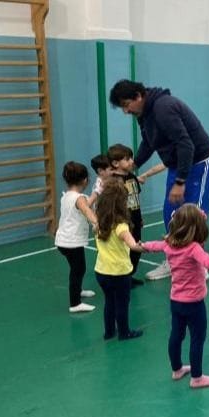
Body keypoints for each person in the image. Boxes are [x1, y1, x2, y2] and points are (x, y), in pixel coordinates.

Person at [109, 79, 209, 281]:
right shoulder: (144, 113)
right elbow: (149, 141)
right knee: (171, 212)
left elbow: (186, 144)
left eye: (126, 105)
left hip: (199, 159)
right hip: (178, 162)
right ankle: (173, 257)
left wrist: (180, 181)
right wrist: (135, 164)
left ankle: (197, 263)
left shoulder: (163, 108)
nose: (126, 111)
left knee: (194, 214)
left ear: (138, 96)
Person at [142, 204, 209, 389]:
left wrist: (140, 246)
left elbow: (152, 246)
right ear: (196, 228)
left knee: (176, 335)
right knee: (197, 338)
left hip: (176, 302)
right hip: (194, 304)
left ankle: (176, 370)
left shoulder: (168, 245)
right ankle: (197, 378)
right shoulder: (193, 249)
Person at [93, 178, 145, 340]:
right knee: (122, 303)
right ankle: (124, 332)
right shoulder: (121, 226)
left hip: (101, 271)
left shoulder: (99, 224)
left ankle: (109, 332)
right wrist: (148, 246)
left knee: (109, 302)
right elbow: (134, 245)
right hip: (120, 272)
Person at [54, 161, 99, 313]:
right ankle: (75, 304)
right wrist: (96, 222)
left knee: (77, 268)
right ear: (85, 180)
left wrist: (96, 193)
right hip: (71, 242)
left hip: (64, 240)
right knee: (78, 270)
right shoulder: (79, 198)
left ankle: (78, 290)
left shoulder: (68, 195)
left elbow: (85, 204)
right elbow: (86, 209)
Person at [106, 144, 145, 286]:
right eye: (127, 159)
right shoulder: (113, 182)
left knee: (136, 250)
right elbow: (111, 204)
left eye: (131, 159)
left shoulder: (131, 177)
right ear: (115, 163)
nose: (131, 162)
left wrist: (139, 217)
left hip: (134, 220)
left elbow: (136, 198)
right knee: (124, 250)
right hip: (122, 223)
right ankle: (121, 278)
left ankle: (129, 275)